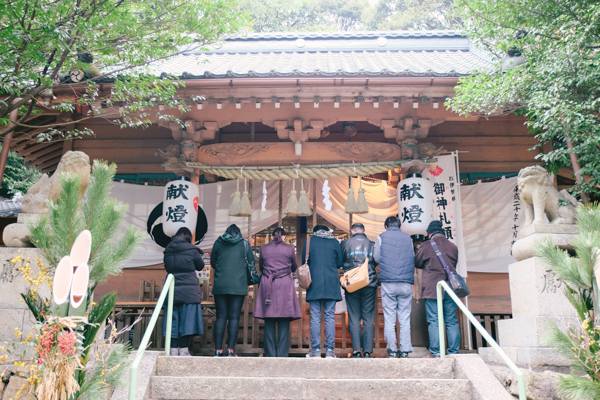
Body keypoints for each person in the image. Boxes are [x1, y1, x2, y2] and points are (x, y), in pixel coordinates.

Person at [415, 220, 460, 358]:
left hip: (433, 287)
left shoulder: (427, 245)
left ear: (429, 233)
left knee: (434, 320)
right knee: (451, 320)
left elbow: (417, 262)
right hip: (450, 288)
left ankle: (436, 353)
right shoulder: (453, 246)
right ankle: (454, 352)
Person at [254, 227, 301, 357]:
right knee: (284, 318)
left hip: (268, 282)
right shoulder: (289, 248)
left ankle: (270, 353)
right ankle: (282, 353)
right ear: (284, 236)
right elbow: (294, 266)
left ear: (272, 236)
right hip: (284, 283)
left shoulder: (264, 248)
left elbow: (262, 266)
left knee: (269, 318)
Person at [374, 216, 415, 358]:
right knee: (404, 317)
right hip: (405, 282)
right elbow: (412, 256)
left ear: (386, 226)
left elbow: (376, 258)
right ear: (399, 225)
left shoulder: (381, 237)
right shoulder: (407, 238)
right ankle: (404, 350)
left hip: (388, 282)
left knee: (389, 317)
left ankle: (391, 350)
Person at [210, 224, 253, 357]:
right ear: (239, 233)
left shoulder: (218, 242)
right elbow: (251, 262)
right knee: (234, 317)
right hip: (238, 285)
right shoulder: (244, 244)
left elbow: (212, 263)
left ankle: (218, 351)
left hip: (220, 285)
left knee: (221, 316)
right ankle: (230, 350)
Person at [162, 227, 205, 356]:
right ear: (188, 238)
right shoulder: (192, 250)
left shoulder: (168, 250)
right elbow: (200, 266)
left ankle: (173, 350)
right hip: (189, 290)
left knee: (172, 319)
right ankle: (184, 350)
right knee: (188, 320)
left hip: (171, 288)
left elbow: (166, 266)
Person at [302, 225, 342, 358]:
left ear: (314, 232)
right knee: (330, 316)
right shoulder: (335, 242)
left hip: (314, 282)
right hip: (331, 282)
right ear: (327, 231)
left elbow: (304, 261)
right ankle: (330, 350)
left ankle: (316, 350)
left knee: (315, 317)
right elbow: (339, 262)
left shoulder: (309, 241)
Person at [340, 223, 378, 358]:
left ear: (352, 231)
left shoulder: (345, 243)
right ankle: (367, 351)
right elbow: (376, 260)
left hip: (352, 283)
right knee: (368, 317)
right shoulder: (372, 244)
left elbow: (340, 261)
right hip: (369, 282)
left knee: (354, 317)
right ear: (364, 231)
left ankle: (356, 351)